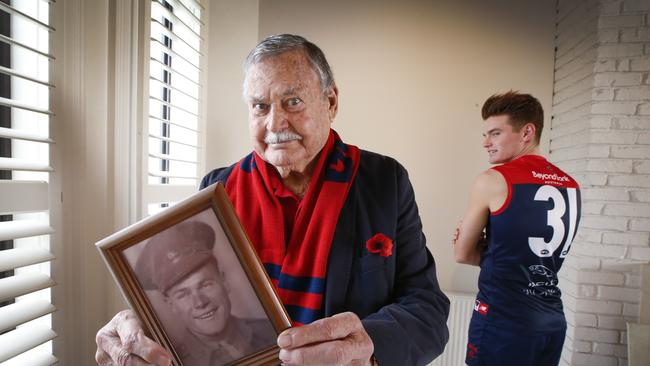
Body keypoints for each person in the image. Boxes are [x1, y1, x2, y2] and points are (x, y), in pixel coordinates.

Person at [96, 34, 450, 366]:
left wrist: (369, 345)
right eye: (260, 106)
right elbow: (190, 307)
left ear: (331, 101)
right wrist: (141, 327)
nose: (275, 122)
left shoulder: (383, 180)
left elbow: (427, 307)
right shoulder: (217, 189)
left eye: (292, 102)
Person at [452, 91, 581, 366]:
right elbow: (533, 256)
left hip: (503, 320)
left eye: (496, 133)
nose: (486, 143)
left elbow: (462, 254)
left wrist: (478, 246)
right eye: (485, 135)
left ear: (527, 132)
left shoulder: (493, 180)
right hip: (552, 321)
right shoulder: (570, 184)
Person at [133, 220, 277, 366]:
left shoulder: (273, 332)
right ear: (171, 304)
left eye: (206, 285)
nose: (200, 302)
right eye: (183, 294)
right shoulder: (168, 361)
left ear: (224, 281)